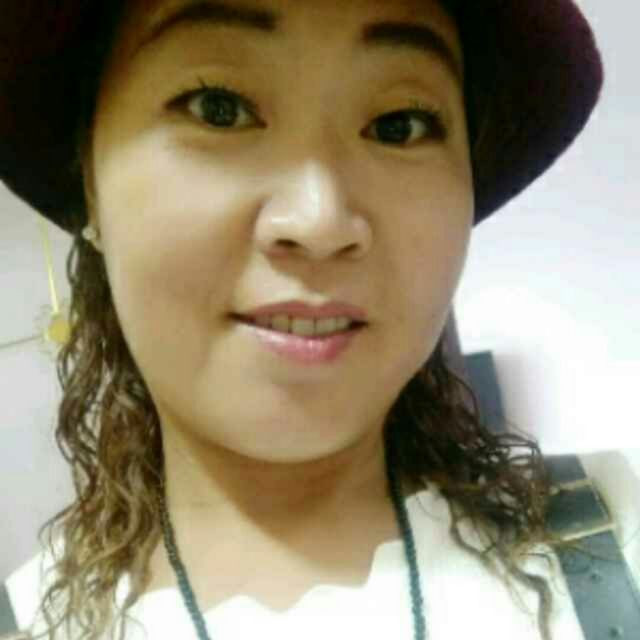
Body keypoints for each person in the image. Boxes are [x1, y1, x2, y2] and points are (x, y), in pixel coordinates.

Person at [0, 1, 608, 639]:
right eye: (219, 108)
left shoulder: (613, 538)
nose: (320, 221)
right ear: (89, 184)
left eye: (398, 125)